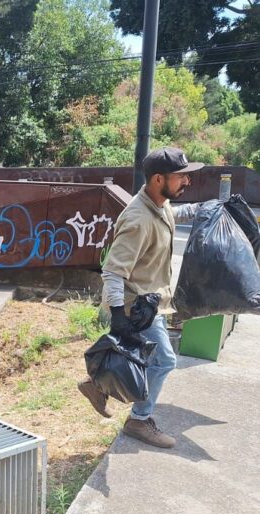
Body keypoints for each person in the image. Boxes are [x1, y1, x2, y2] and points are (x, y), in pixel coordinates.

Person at [78, 146, 203, 448]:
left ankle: (96, 385)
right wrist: (118, 316)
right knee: (164, 360)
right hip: (134, 305)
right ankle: (139, 420)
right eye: (181, 177)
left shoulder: (158, 204)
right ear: (159, 179)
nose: (187, 181)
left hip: (149, 301)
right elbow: (112, 272)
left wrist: (204, 209)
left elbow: (173, 215)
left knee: (138, 355)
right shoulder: (137, 220)